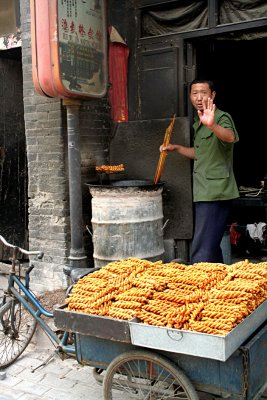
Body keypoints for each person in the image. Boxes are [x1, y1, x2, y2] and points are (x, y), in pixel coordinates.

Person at [160, 79, 239, 263]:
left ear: (212, 95)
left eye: (203, 92)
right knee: (210, 245)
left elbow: (230, 137)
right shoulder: (199, 122)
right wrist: (177, 148)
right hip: (203, 190)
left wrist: (212, 125)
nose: (198, 97)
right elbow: (200, 153)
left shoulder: (220, 117)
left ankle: (198, 285)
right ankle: (220, 285)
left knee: (202, 249)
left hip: (216, 191)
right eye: (194, 93)